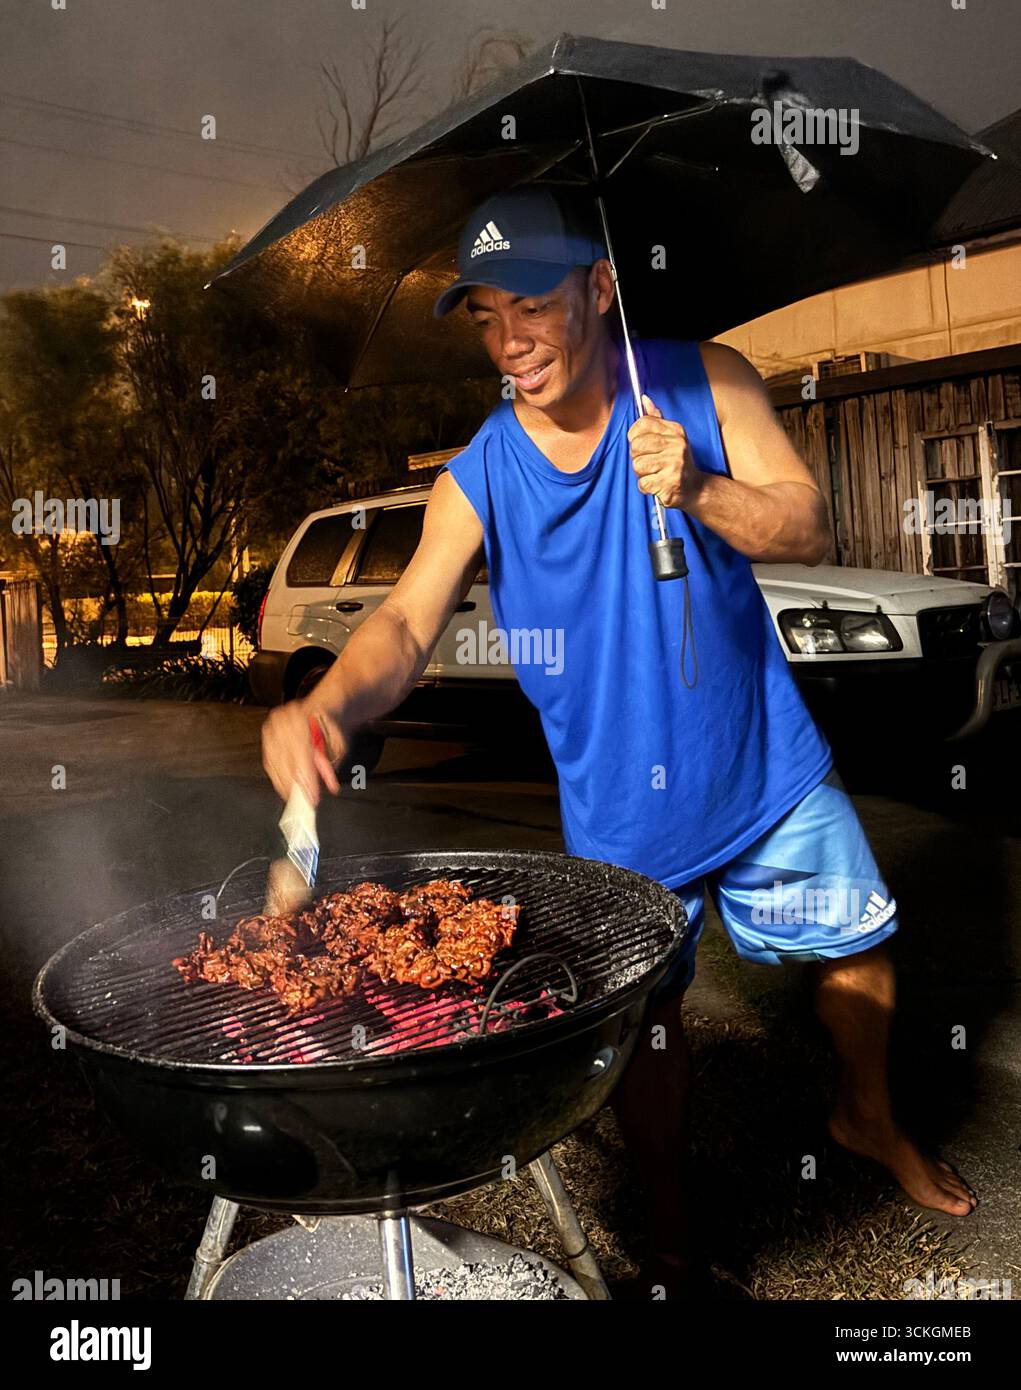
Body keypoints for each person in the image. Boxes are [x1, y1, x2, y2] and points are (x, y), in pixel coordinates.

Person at [262, 186, 976, 1294]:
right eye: (486, 314)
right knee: (646, 1030)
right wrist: (327, 708)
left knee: (857, 939)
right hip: (619, 812)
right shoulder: (482, 468)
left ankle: (864, 1117)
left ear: (599, 285)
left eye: (534, 305)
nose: (508, 340)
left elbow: (808, 520)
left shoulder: (704, 380)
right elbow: (403, 622)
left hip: (760, 763)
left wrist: (695, 484)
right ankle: (674, 1228)